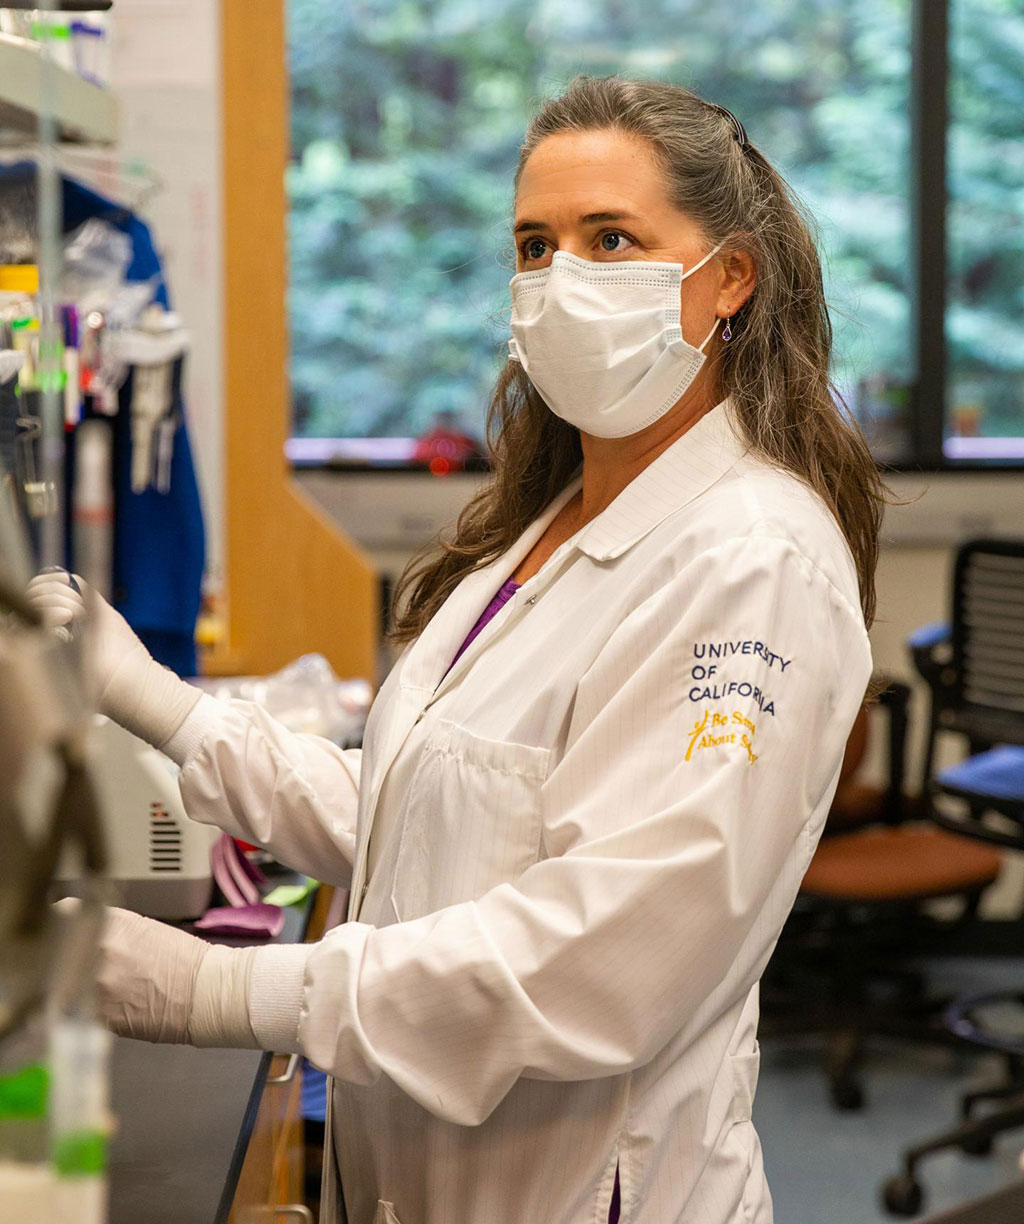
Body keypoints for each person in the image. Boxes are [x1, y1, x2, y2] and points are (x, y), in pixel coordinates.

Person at [31, 76, 885, 1224]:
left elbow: (604, 960)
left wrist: (223, 987)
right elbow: (429, 822)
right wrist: (149, 697)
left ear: (727, 277)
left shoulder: (751, 563)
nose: (560, 280)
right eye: (534, 245)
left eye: (610, 238)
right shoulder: (549, 526)